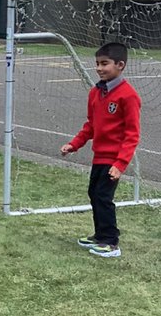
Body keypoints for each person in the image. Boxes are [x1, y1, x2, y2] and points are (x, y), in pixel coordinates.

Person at [60, 42, 141, 258]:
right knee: (94, 194)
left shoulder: (128, 96)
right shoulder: (96, 92)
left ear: (120, 65)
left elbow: (132, 135)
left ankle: (111, 242)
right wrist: (74, 144)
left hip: (114, 159)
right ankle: (99, 235)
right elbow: (91, 126)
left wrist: (120, 164)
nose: (99, 68)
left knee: (104, 197)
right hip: (99, 157)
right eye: (97, 63)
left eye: (104, 63)